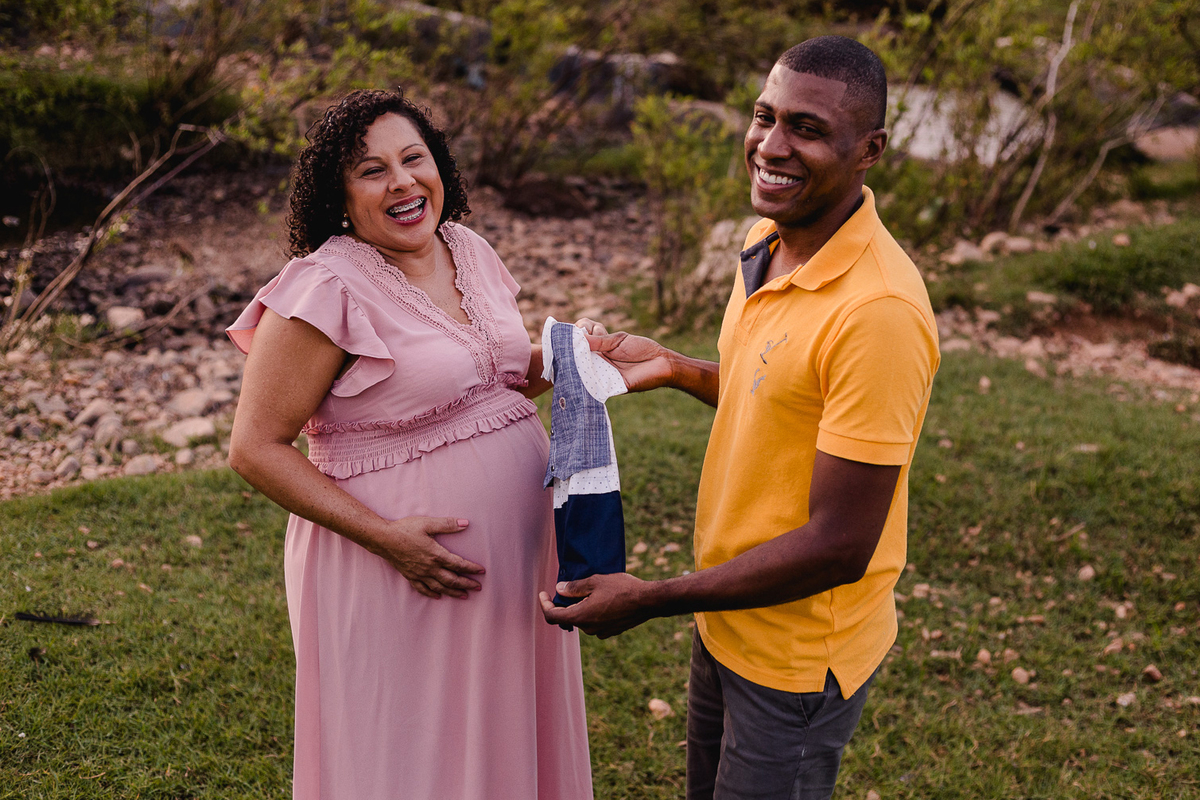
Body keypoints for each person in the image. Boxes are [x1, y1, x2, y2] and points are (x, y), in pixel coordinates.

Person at [541, 36, 941, 800]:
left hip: (794, 653)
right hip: (730, 614)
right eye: (765, 116)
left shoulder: (879, 312)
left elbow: (841, 546)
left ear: (871, 149)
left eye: (809, 128)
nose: (771, 145)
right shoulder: (768, 241)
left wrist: (654, 596)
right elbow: (783, 397)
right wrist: (680, 369)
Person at [227, 89, 592, 800]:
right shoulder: (323, 288)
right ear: (340, 192)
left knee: (505, 742)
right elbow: (254, 447)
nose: (401, 182)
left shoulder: (468, 248)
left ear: (439, 166)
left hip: (514, 568)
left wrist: (580, 354)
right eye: (371, 170)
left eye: (413, 158)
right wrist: (388, 538)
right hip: (396, 565)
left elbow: (495, 382)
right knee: (411, 756)